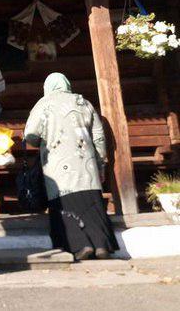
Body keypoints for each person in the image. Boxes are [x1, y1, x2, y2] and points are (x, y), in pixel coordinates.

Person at [24, 72, 119, 261]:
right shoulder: (83, 103)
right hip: (86, 163)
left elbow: (31, 134)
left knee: (65, 203)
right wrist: (100, 163)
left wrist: (41, 142)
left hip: (58, 165)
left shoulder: (43, 104)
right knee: (92, 204)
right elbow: (98, 136)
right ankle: (101, 245)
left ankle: (81, 244)